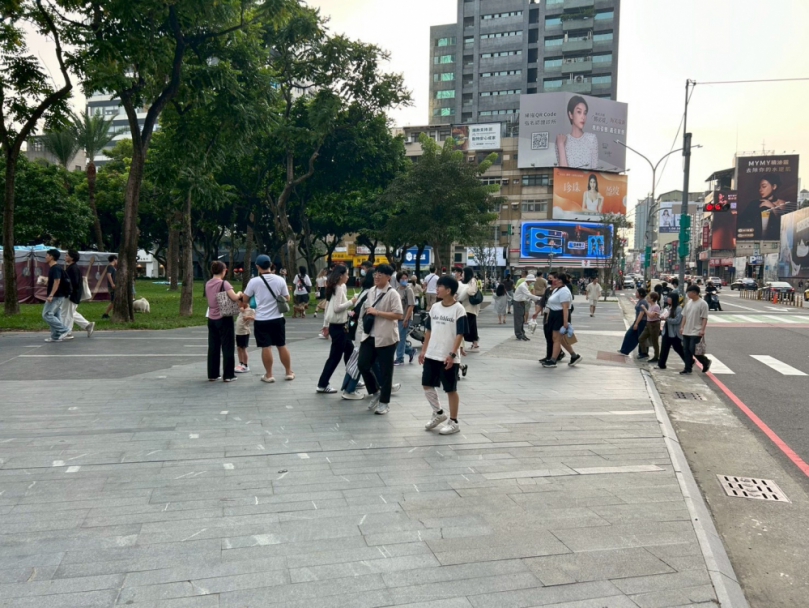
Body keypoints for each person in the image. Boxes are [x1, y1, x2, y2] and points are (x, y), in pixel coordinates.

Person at [420, 275, 467, 435]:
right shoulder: (435, 307)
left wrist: (452, 354)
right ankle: (439, 413)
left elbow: (460, 334)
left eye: (440, 286)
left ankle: (453, 421)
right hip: (432, 353)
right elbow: (429, 330)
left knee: (450, 389)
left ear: (449, 291)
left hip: (448, 356)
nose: (437, 288)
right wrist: (424, 350)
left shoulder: (459, 309)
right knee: (427, 384)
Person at [357, 264, 404, 415]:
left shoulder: (393, 294)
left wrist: (377, 312)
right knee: (363, 364)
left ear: (389, 277)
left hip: (386, 337)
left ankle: (384, 402)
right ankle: (375, 391)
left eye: (381, 274)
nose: (377, 277)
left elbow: (398, 315)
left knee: (386, 372)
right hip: (369, 335)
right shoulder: (371, 291)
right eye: (376, 274)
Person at [242, 254, 294, 383]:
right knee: (281, 345)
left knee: (266, 347)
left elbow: (245, 299)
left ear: (258, 267)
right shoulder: (280, 280)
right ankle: (288, 372)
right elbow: (287, 298)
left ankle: (269, 375)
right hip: (278, 318)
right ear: (270, 265)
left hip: (261, 319)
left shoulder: (254, 281)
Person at [317, 265, 358, 393]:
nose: (348, 277)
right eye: (346, 274)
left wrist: (326, 324)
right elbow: (336, 308)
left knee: (350, 351)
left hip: (338, 326)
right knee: (335, 357)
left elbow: (330, 307)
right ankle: (323, 384)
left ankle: (352, 377)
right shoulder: (339, 288)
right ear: (341, 276)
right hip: (339, 327)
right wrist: (352, 301)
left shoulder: (334, 287)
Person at [204, 261, 242, 382]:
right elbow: (235, 297)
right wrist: (240, 293)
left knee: (213, 346)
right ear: (223, 271)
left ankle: (213, 374)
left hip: (211, 318)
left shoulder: (208, 283)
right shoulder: (224, 283)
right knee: (228, 346)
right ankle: (228, 375)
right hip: (224, 317)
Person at [340, 269, 375, 400]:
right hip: (365, 333)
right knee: (361, 363)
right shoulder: (370, 294)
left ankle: (376, 386)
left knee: (362, 362)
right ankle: (349, 389)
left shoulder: (364, 292)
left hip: (361, 332)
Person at [542, 272, 582, 368]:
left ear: (560, 280)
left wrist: (565, 323)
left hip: (560, 315)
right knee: (561, 339)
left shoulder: (564, 291)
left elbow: (565, 308)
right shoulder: (557, 289)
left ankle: (553, 360)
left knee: (556, 339)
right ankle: (574, 356)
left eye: (555, 278)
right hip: (554, 314)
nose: (552, 280)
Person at [738, 174, 790, 241]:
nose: (760, 190)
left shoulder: (781, 203)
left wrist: (772, 207)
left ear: (774, 186)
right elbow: (742, 220)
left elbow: (784, 225)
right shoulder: (754, 203)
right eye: (760, 187)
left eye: (764, 186)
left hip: (774, 239)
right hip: (755, 239)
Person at [556, 95, 599, 169]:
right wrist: (560, 146)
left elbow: (594, 171)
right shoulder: (562, 141)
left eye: (585, 113)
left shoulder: (592, 139)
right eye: (579, 112)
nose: (583, 117)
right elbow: (563, 175)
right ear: (571, 115)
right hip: (569, 181)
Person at [61, 250, 95, 338]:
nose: (65, 256)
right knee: (70, 312)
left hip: (71, 295)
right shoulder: (72, 267)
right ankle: (87, 325)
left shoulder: (73, 268)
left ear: (72, 258)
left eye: (67, 255)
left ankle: (67, 332)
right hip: (72, 294)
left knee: (67, 314)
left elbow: (74, 283)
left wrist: (67, 290)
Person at [680, 284, 711, 375]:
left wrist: (702, 330)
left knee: (693, 349)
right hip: (687, 330)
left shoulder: (703, 304)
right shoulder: (689, 302)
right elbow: (684, 316)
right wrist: (682, 327)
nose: (687, 294)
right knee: (686, 350)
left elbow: (705, 318)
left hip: (696, 330)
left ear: (694, 293)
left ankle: (705, 361)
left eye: (688, 292)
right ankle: (687, 368)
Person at [42, 248, 71, 342]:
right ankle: (56, 336)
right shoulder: (54, 268)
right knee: (55, 315)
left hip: (56, 296)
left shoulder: (55, 268)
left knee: (47, 315)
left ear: (52, 257)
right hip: (58, 295)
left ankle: (64, 330)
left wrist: (51, 295)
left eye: (47, 255)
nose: (45, 257)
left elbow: (57, 281)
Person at [658, 293, 686, 370]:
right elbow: (663, 315)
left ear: (674, 299)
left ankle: (689, 361)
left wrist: (667, 319)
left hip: (674, 333)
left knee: (678, 348)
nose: (668, 299)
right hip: (666, 331)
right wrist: (660, 316)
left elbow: (677, 321)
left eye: (669, 298)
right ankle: (661, 364)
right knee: (664, 348)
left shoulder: (678, 309)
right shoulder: (667, 307)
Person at [394, 271, 417, 366]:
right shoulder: (396, 289)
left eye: (406, 278)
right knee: (397, 338)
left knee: (400, 339)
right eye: (402, 278)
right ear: (398, 280)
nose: (404, 280)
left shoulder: (409, 290)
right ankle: (410, 351)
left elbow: (411, 305)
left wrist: (406, 319)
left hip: (405, 317)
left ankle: (400, 358)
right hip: (397, 317)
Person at [457, 267, 481, 352]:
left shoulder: (472, 281)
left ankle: (460, 344)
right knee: (472, 326)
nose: (462, 274)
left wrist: (466, 290)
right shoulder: (467, 281)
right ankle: (475, 343)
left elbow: (471, 292)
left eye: (463, 273)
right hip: (467, 307)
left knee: (465, 326)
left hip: (469, 307)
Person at [619, 287, 648, 355]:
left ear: (640, 294)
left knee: (639, 337)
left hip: (641, 322)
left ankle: (643, 353)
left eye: (637, 293)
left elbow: (641, 313)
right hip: (637, 321)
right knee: (629, 335)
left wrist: (636, 323)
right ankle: (624, 350)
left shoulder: (643, 302)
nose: (635, 294)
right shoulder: (640, 301)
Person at [512, 274, 541, 341]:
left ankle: (522, 333)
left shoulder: (526, 285)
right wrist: (539, 298)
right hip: (518, 303)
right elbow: (529, 294)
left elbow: (527, 296)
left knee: (521, 319)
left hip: (521, 302)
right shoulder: (523, 286)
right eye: (531, 281)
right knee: (518, 319)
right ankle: (519, 334)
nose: (532, 282)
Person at [638, 291, 662, 363]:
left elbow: (651, 316)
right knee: (641, 338)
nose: (647, 299)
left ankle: (656, 356)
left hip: (654, 324)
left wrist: (645, 309)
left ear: (652, 299)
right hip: (648, 324)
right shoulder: (650, 305)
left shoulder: (656, 306)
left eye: (649, 297)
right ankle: (644, 352)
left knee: (655, 341)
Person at [235, 300, 255, 374]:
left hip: (244, 332)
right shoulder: (241, 309)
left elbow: (255, 317)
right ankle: (240, 363)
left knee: (243, 348)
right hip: (238, 332)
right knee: (239, 348)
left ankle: (245, 365)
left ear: (244, 302)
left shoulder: (250, 310)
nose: (238, 304)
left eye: (239, 303)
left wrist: (248, 317)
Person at [101, 254, 118, 319]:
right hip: (112, 286)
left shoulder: (113, 267)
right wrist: (112, 284)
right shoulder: (110, 266)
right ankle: (105, 314)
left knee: (114, 301)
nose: (117, 261)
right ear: (114, 259)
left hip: (114, 285)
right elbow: (109, 275)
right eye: (117, 260)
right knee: (113, 301)